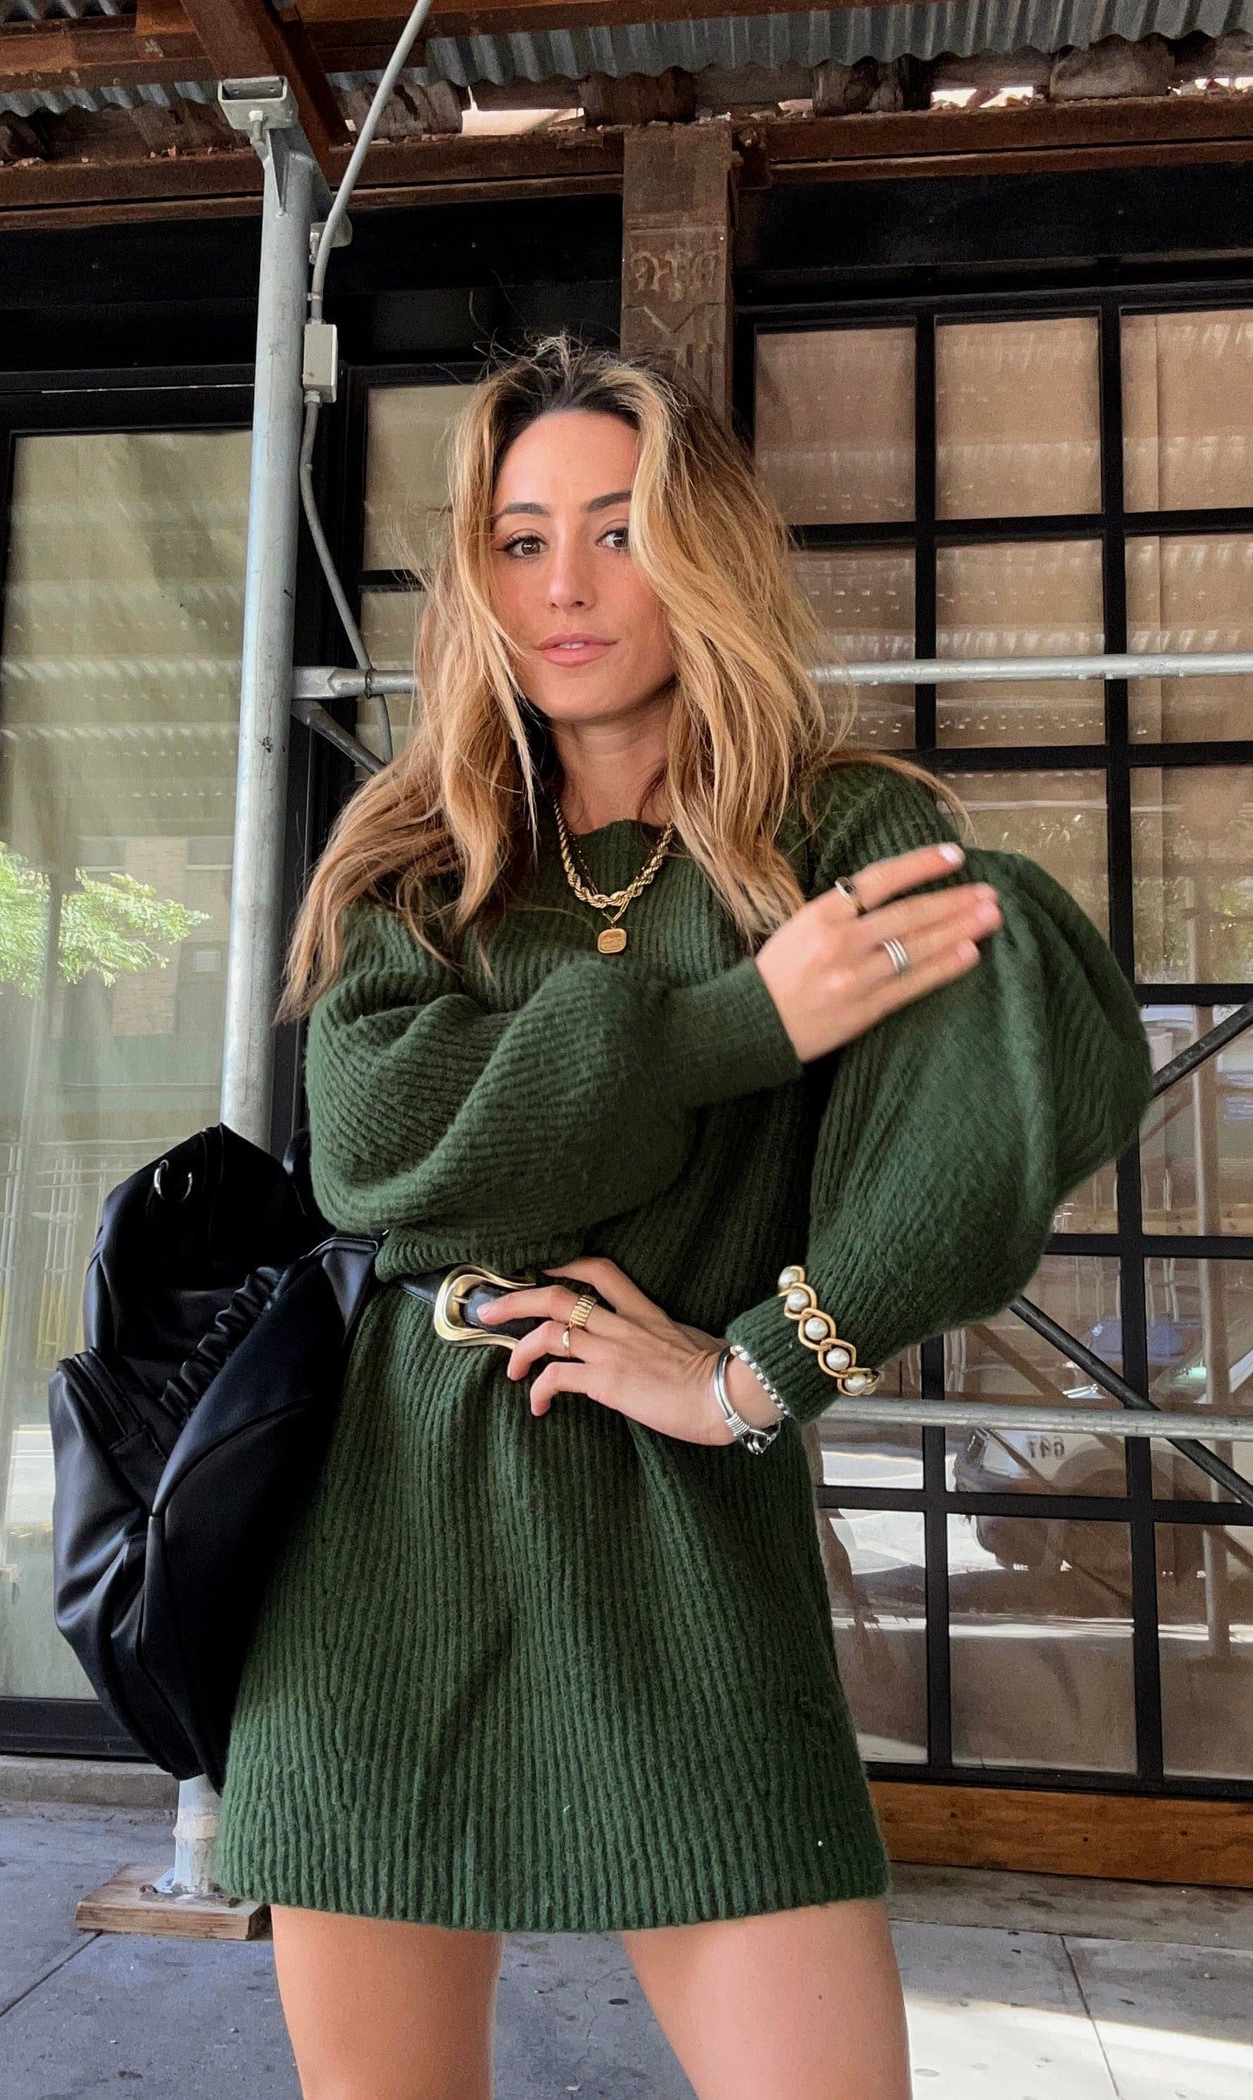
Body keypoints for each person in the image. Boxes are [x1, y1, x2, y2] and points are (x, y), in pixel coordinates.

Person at [213, 334, 1152, 2099]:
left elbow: (1029, 1063)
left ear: (704, 555)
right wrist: (742, 1025)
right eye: (519, 539)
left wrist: (752, 1374)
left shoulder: (833, 833)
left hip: (682, 1563)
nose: (563, 586)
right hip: (379, 1560)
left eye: (620, 530)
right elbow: (389, 1162)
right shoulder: (421, 856)